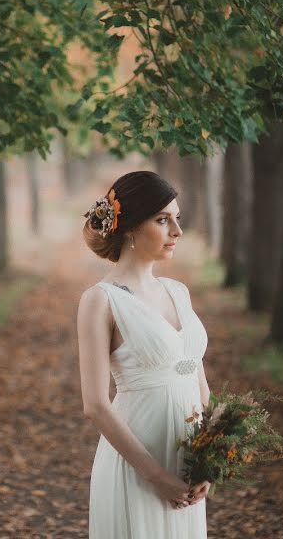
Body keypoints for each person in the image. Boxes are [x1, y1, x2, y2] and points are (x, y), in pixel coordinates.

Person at [77, 170, 211, 538]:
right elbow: (95, 405)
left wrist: (207, 464)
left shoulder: (177, 292)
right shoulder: (100, 301)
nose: (177, 232)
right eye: (163, 220)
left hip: (186, 467)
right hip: (137, 467)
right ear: (131, 227)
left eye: (177, 219)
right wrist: (156, 477)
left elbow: (201, 388)